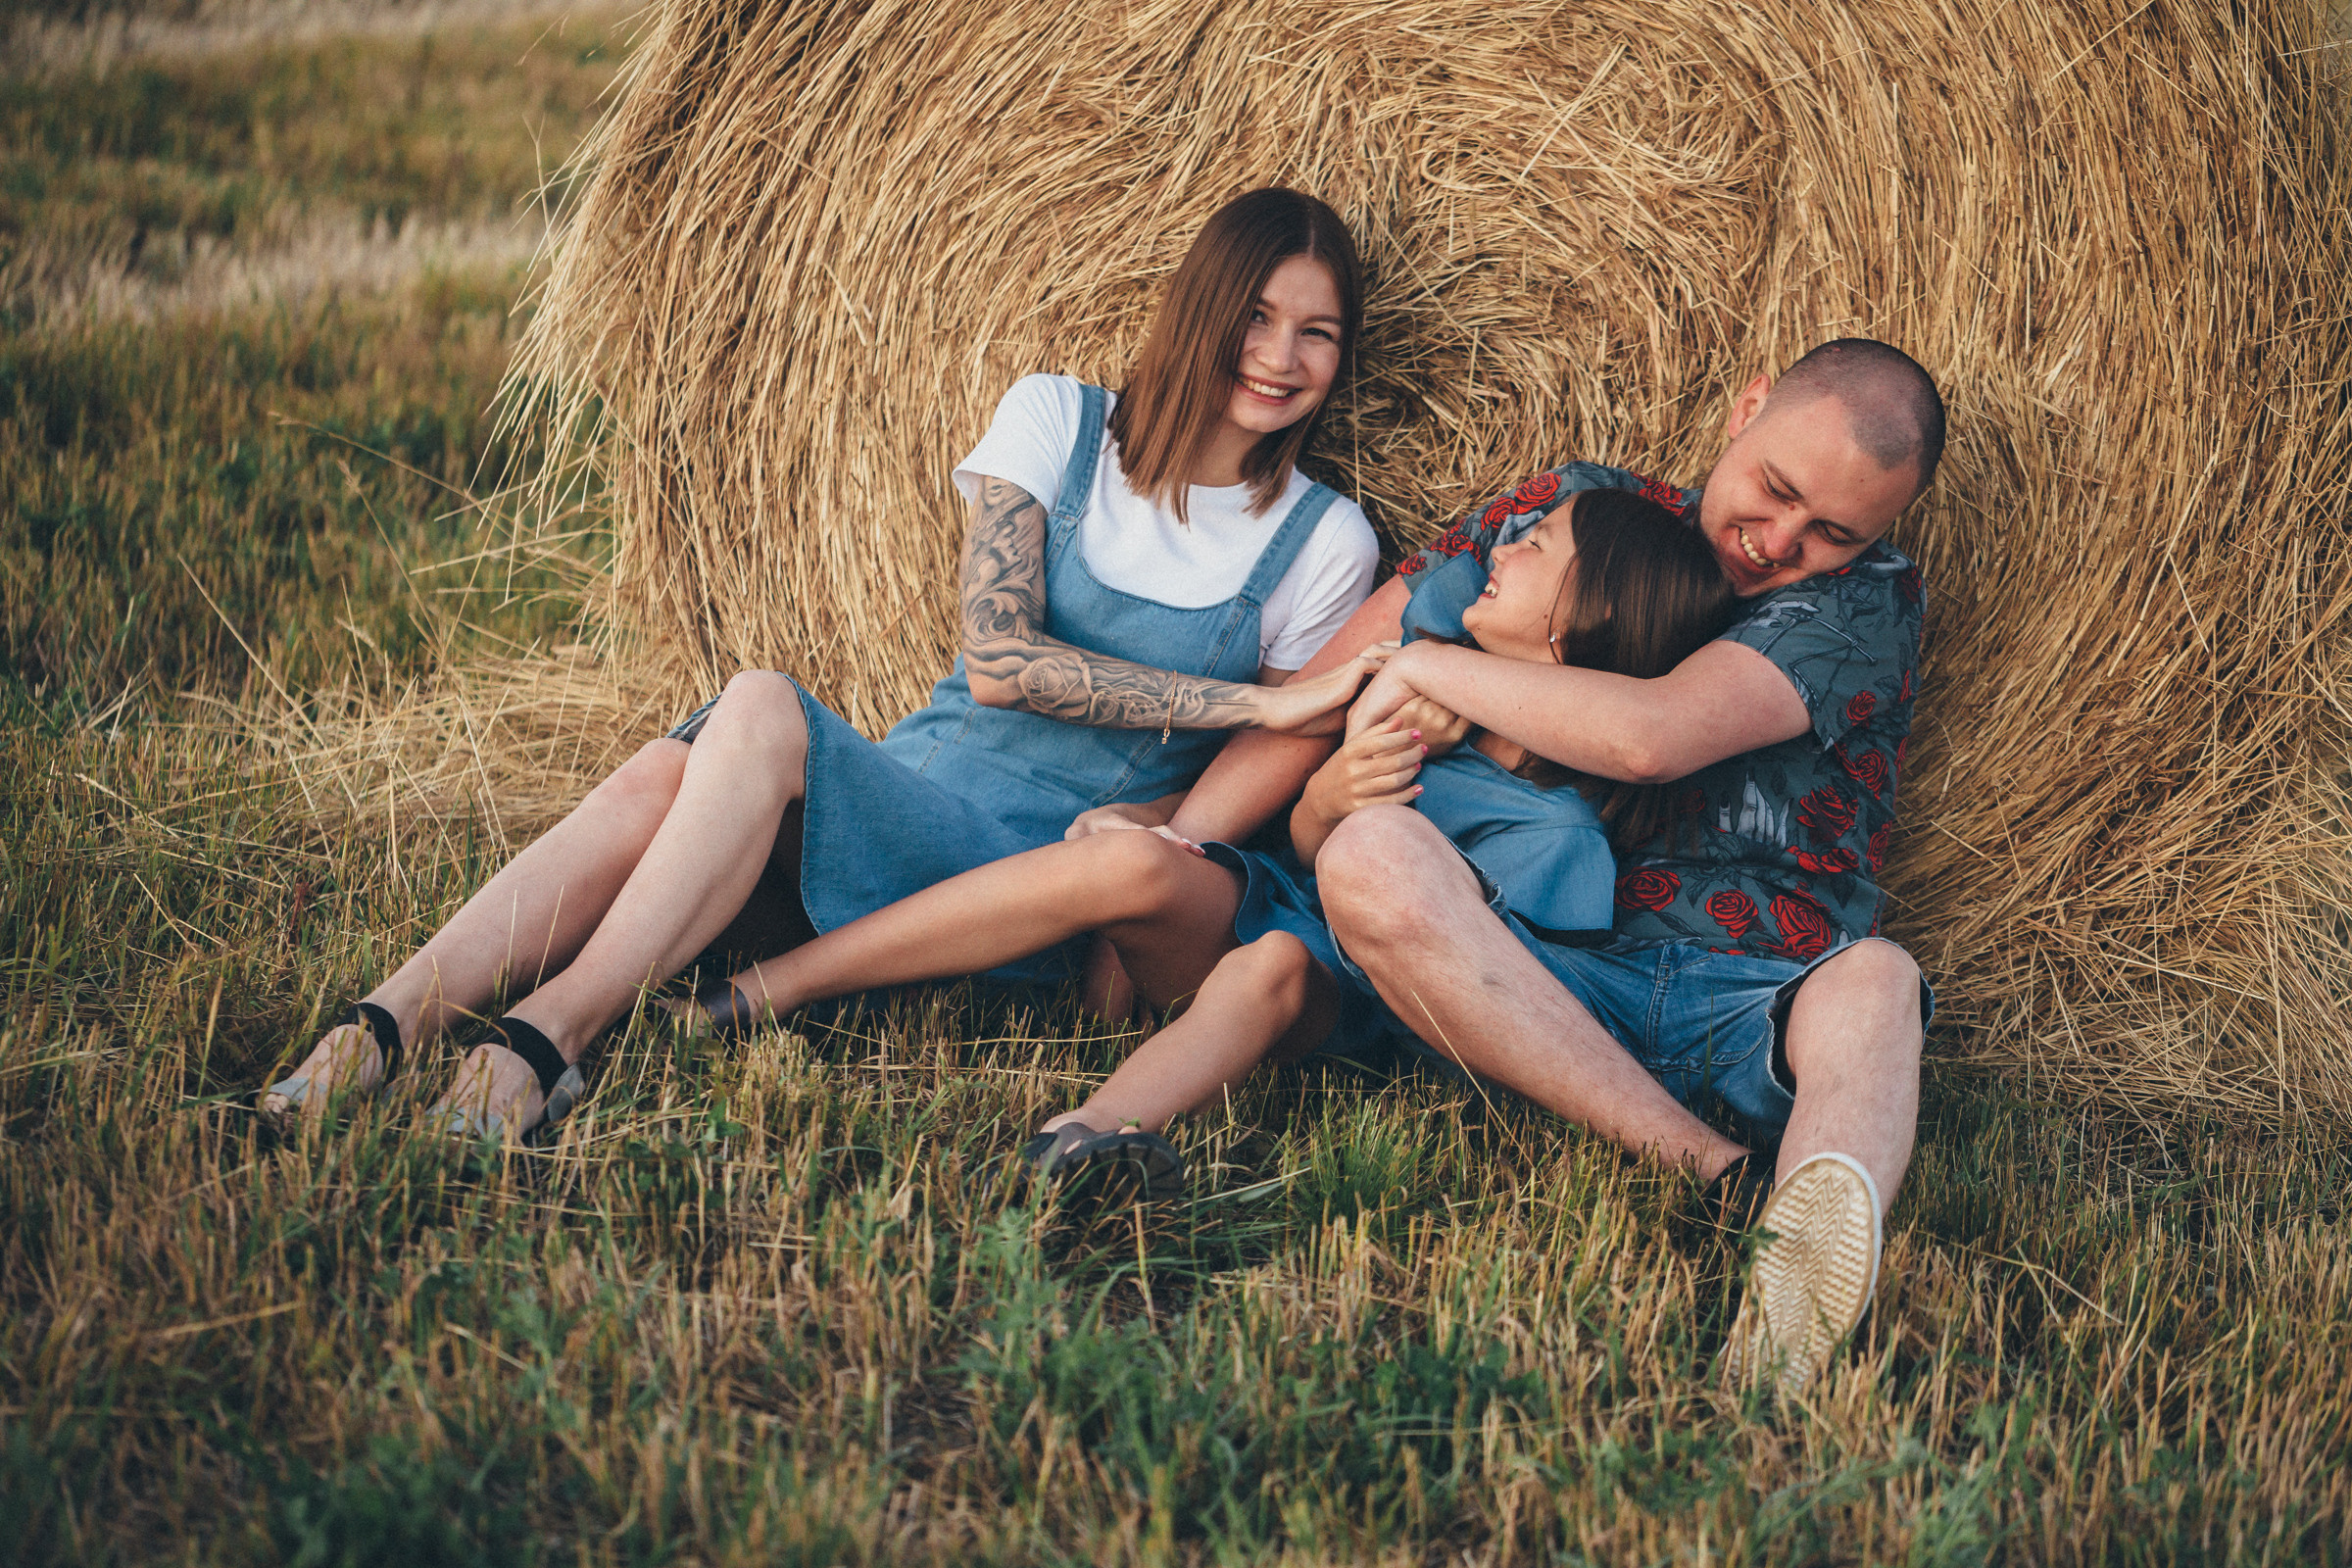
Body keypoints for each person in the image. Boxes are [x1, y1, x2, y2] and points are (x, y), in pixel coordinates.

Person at [259, 187, 1389, 1143]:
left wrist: (1177, 794)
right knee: (676, 772)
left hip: (1018, 886)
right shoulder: (1057, 420)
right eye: (1256, 315)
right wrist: (1252, 693)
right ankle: (391, 1019)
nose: (1281, 358)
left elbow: (1230, 794)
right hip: (907, 791)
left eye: (1318, 333)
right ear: (1200, 308)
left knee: (747, 711)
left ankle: (552, 1031)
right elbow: (999, 660)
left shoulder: (1322, 544)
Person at [667, 488, 1736, 1204]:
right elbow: (1307, 835)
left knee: (1273, 963)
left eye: (1536, 545)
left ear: (1578, 622)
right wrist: (1327, 790)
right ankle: (759, 993)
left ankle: (1085, 1137)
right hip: (1267, 901)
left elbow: (1476, 985)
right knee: (1128, 862)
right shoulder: (1420, 696)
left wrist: (1339, 826)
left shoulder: (1557, 832)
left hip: (1349, 1006)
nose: (1501, 546)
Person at [1301, 337, 1945, 1399]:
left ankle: (1791, 1324)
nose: (1779, 542)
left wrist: (1427, 665)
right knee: (1372, 853)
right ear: (1746, 409)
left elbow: (1652, 739)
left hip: (1754, 991)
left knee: (1879, 982)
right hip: (1536, 973)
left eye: (1833, 530)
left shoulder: (1867, 602)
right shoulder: (1586, 511)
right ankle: (1723, 1178)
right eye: (1775, 491)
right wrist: (1172, 830)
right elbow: (1327, 684)